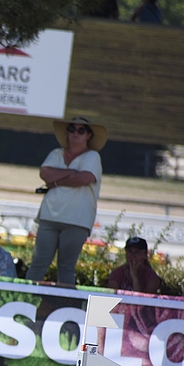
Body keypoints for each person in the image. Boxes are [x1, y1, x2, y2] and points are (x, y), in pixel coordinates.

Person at [26, 116, 106, 286]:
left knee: (66, 267)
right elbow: (45, 173)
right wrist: (72, 173)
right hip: (49, 216)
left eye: (81, 130)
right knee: (38, 263)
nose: (75, 133)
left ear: (88, 135)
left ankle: (66, 304)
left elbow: (85, 178)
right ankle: (24, 299)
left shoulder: (93, 156)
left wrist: (56, 180)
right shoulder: (56, 153)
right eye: (72, 129)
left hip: (77, 220)